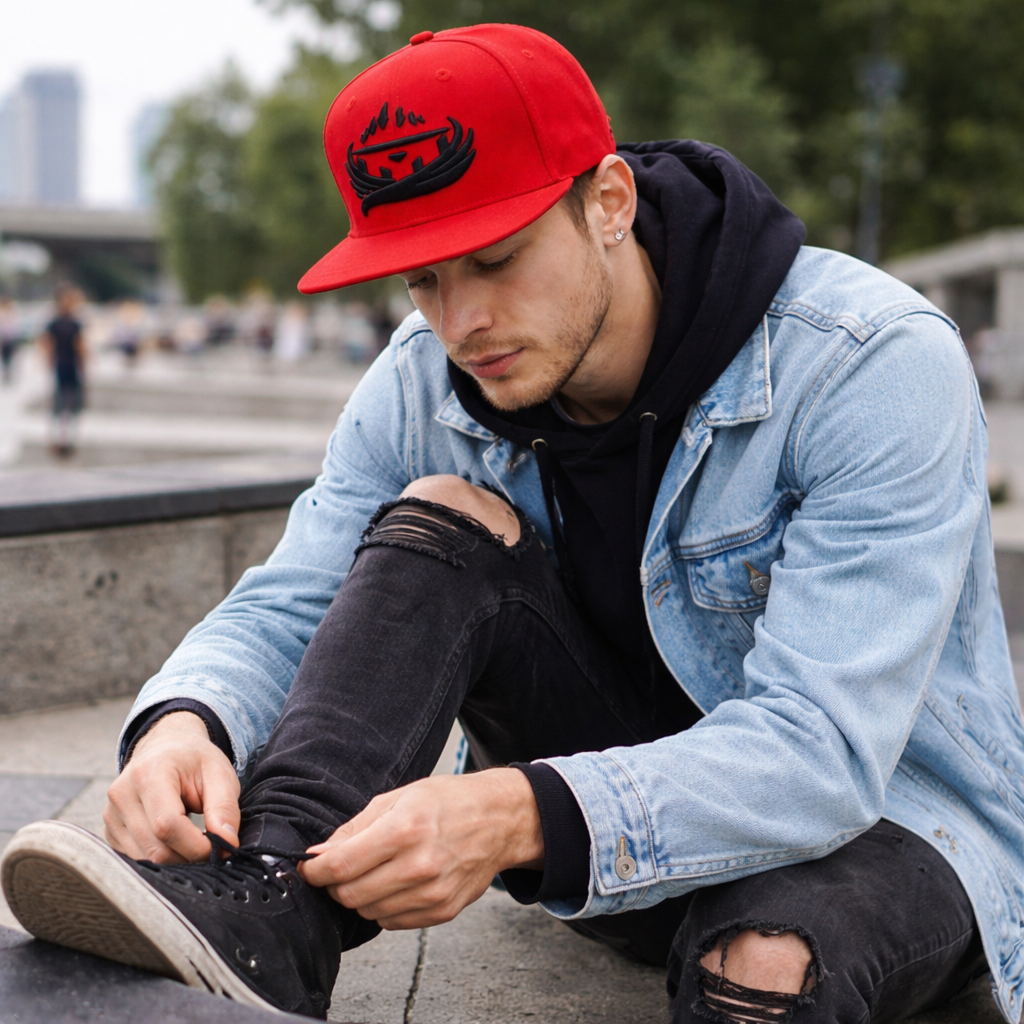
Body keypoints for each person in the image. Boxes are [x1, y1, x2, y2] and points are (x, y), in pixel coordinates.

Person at [3, 24, 1022, 1024]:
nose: (460, 323)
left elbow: (822, 749)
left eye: (493, 260)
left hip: (889, 824)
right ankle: (268, 910)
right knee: (441, 513)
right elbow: (296, 594)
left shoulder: (867, 364)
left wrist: (515, 812)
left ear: (608, 201)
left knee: (762, 962)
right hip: (607, 840)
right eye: (422, 278)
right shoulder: (422, 378)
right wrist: (187, 720)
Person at [39, 283, 86, 456]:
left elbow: (80, 345)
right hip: (62, 364)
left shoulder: (74, 322)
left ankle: (68, 437)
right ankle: (57, 437)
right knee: (60, 402)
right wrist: (48, 360)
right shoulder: (57, 322)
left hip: (70, 364)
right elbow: (46, 342)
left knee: (72, 402)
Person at [0, 296, 22, 385]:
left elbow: (15, 326)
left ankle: (12, 373)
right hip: (4, 339)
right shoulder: (2, 313)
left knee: (12, 356)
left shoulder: (12, 313)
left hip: (11, 339)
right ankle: (7, 373)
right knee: (6, 358)